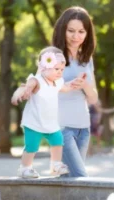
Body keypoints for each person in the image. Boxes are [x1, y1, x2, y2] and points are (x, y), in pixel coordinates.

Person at [11, 46, 79, 178]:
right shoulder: (37, 80)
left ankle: (55, 166)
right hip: (34, 123)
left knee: (58, 141)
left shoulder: (56, 82)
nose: (59, 72)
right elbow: (27, 86)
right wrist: (20, 94)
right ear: (44, 66)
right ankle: (25, 168)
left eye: (62, 70)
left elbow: (64, 87)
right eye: (56, 69)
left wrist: (72, 84)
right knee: (31, 147)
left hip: (50, 123)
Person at [53, 6, 98, 177]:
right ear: (62, 29)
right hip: (61, 128)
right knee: (80, 177)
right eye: (71, 30)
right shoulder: (52, 57)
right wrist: (65, 86)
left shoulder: (87, 58)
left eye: (81, 31)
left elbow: (93, 99)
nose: (76, 36)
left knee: (68, 182)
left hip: (83, 129)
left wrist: (85, 85)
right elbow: (42, 89)